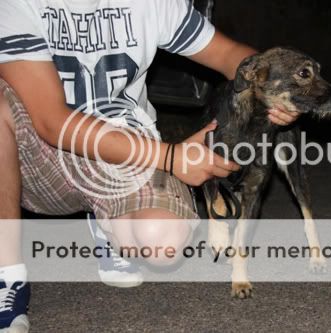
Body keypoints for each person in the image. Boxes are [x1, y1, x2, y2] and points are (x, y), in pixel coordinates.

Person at [0, 0, 299, 331]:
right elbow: (52, 122)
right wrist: (171, 158)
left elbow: (231, 56)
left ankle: (107, 221)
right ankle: (7, 278)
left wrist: (275, 89)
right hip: (37, 159)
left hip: (126, 149)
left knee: (163, 243)